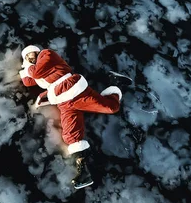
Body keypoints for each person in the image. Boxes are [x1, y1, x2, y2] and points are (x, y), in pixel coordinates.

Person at [19, 45, 129, 189]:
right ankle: (84, 173)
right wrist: (27, 68)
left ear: (37, 51)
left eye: (30, 54)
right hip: (63, 102)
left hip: (74, 91)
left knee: (111, 107)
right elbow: (28, 81)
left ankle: (116, 83)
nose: (30, 57)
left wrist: (27, 68)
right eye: (26, 57)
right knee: (71, 137)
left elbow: (36, 72)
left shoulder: (47, 54)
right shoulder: (38, 70)